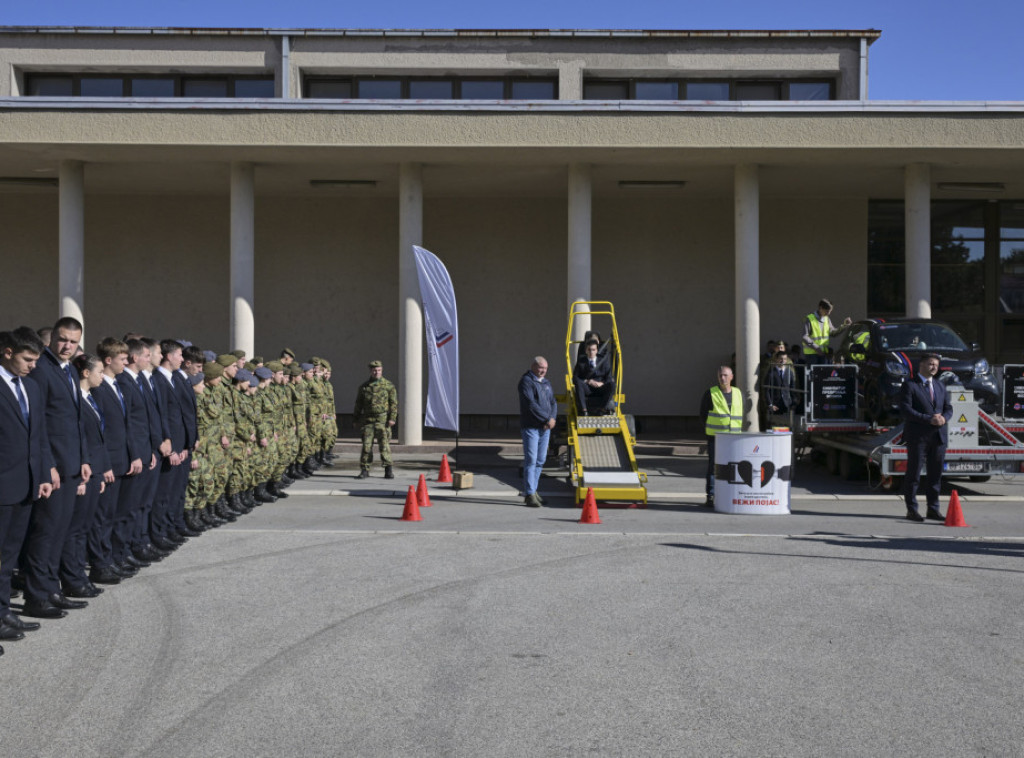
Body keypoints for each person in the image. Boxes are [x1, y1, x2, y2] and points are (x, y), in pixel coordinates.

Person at [21, 317, 92, 618]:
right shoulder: (42, 371)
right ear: (52, 339)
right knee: (45, 534)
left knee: (60, 532)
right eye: (62, 339)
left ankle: (52, 589)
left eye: (73, 342)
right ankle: (36, 597)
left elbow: (76, 421)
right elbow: (39, 424)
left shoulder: (68, 371)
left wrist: (84, 459)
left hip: (71, 463)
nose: (67, 346)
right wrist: (48, 464)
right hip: (54, 467)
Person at [0, 328, 54, 644]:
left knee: (9, 555)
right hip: (3, 484)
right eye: (27, 359)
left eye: (35, 359)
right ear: (7, 351)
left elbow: (39, 435)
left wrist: (43, 473)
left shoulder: (31, 387)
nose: (32, 365)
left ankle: (4, 610)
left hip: (26, 484)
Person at [900, 353, 952, 522]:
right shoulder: (910, 385)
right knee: (914, 474)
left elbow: (948, 407)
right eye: (930, 364)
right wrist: (928, 419)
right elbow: (906, 410)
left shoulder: (940, 385)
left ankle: (933, 508)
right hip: (918, 437)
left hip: (938, 437)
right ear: (921, 365)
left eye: (936, 364)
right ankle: (912, 509)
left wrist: (944, 418)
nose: (934, 367)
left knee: (935, 475)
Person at [699, 365, 743, 508]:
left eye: (725, 375)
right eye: (720, 375)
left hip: (734, 437)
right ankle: (711, 496)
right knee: (713, 467)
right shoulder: (710, 393)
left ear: (731, 377)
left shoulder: (737, 393)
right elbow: (703, 414)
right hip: (715, 436)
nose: (722, 378)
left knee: (732, 467)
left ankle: (729, 495)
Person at [518, 356, 556, 508]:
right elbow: (530, 405)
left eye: (545, 369)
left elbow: (553, 402)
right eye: (541, 368)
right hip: (531, 427)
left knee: (540, 460)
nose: (543, 371)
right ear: (533, 366)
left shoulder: (546, 383)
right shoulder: (526, 382)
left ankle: (534, 491)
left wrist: (552, 418)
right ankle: (529, 494)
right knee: (531, 460)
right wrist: (547, 419)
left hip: (545, 428)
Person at [353, 360, 398, 479]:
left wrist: (392, 418)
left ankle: (388, 469)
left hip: (382, 420)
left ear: (382, 370)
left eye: (378, 370)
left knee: (384, 446)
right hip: (368, 421)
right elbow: (358, 404)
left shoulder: (388, 385)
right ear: (370, 371)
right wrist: (356, 419)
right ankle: (365, 469)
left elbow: (393, 404)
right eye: (374, 370)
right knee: (366, 446)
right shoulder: (364, 387)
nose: (376, 372)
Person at [801, 299, 852, 366]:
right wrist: (816, 348)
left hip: (823, 354)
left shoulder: (826, 319)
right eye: (827, 311)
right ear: (820, 308)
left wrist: (844, 325)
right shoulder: (809, 319)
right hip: (811, 355)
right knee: (814, 374)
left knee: (823, 375)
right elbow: (805, 336)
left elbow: (833, 333)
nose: (828, 313)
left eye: (830, 311)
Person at [572, 339, 616, 415]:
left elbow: (608, 377)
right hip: (587, 388)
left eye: (593, 350)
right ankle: (584, 410)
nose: (591, 352)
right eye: (589, 350)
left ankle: (602, 409)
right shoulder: (581, 361)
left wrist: (601, 383)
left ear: (597, 350)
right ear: (586, 350)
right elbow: (575, 378)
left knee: (612, 384)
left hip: (600, 388)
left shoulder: (603, 361)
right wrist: (587, 381)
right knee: (578, 383)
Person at [757, 350, 796, 428]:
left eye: (785, 359)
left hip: (786, 403)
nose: (783, 361)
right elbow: (766, 390)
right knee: (774, 425)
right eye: (781, 359)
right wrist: (770, 404)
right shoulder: (771, 372)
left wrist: (793, 401)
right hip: (775, 404)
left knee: (787, 426)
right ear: (776, 359)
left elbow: (792, 388)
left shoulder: (789, 371)